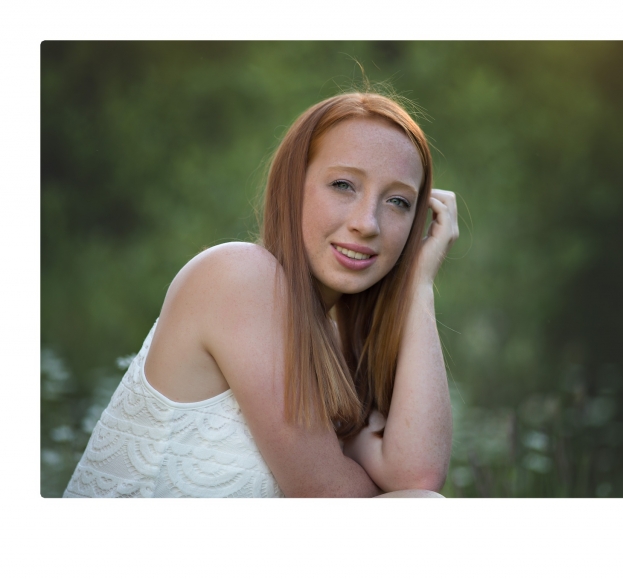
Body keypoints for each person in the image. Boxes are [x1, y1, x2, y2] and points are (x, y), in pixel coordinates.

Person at [64, 91, 458, 498]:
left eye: (397, 201)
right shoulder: (239, 277)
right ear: (293, 185)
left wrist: (418, 285)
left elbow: (417, 479)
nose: (367, 223)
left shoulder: (338, 345)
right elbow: (331, 496)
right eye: (343, 185)